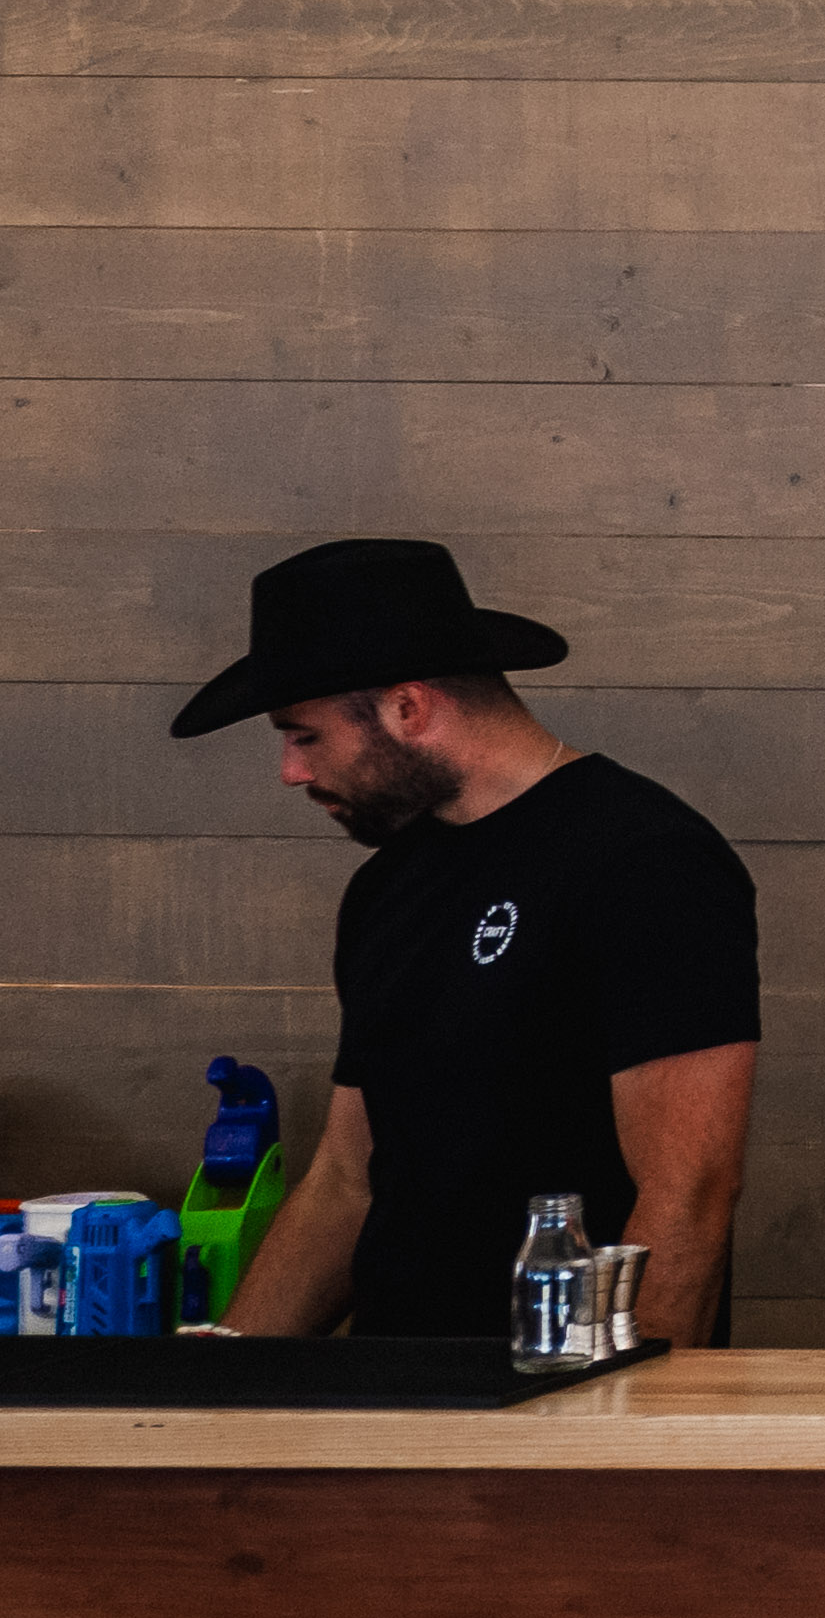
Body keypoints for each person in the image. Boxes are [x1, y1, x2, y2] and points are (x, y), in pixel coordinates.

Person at [176, 538, 764, 1347]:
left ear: (408, 708)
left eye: (304, 736)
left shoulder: (642, 859)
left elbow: (688, 1192)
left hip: (556, 1402)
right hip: (394, 1400)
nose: (289, 770)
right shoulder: (387, 887)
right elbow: (346, 1182)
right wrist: (227, 1377)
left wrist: (632, 1438)